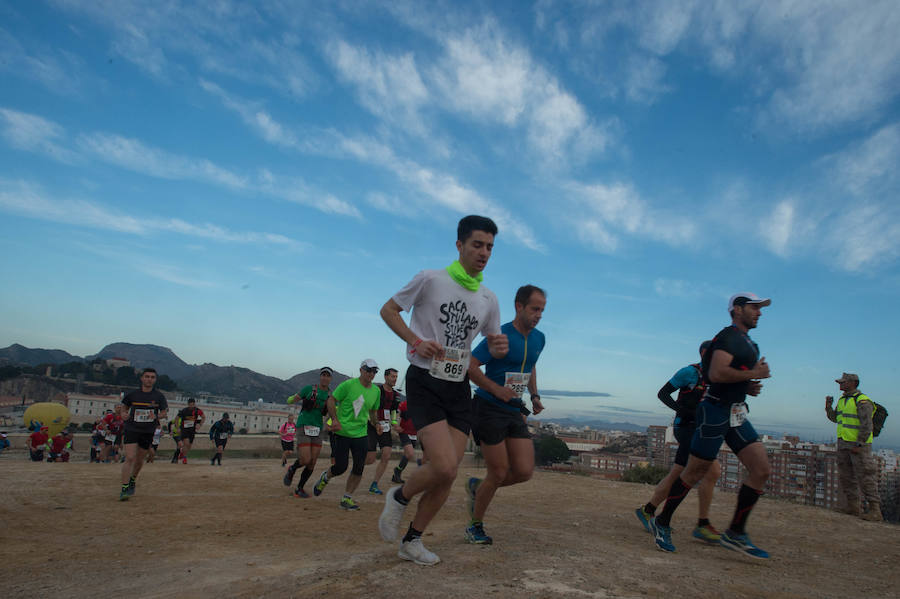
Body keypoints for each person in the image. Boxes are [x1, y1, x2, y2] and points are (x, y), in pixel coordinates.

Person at [378, 215, 508, 566]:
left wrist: (497, 348)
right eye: (477, 244)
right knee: (446, 466)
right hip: (424, 381)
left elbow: (490, 342)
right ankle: (399, 497)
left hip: (458, 387)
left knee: (446, 475)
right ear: (459, 245)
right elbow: (388, 310)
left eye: (490, 247)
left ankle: (412, 541)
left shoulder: (488, 298)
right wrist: (415, 341)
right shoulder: (430, 279)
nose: (484, 253)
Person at [649, 293, 773, 559]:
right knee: (694, 472)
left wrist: (747, 386)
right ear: (737, 310)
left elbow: (729, 378)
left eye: (760, 308)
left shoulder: (750, 343)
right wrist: (754, 374)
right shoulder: (727, 337)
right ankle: (662, 521)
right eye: (754, 307)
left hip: (735, 413)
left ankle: (736, 532)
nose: (759, 312)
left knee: (761, 469)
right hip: (714, 411)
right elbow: (716, 374)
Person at [463, 284, 547, 545]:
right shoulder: (499, 335)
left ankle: (478, 487)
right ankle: (475, 525)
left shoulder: (539, 338)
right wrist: (495, 389)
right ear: (519, 306)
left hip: (513, 410)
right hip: (488, 408)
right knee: (498, 472)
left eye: (542, 310)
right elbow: (470, 366)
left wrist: (534, 396)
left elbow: (530, 365)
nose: (539, 315)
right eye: (535, 309)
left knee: (523, 471)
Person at [635, 340, 722, 543]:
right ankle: (702, 524)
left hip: (703, 431)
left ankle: (647, 511)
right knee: (713, 470)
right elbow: (663, 393)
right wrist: (679, 409)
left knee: (678, 474)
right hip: (685, 429)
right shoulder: (689, 373)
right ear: (703, 354)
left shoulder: (718, 377)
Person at [312, 360, 381, 510]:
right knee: (341, 467)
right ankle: (326, 477)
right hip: (342, 432)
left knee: (358, 468)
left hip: (361, 433)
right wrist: (335, 420)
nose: (371, 374)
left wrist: (376, 424)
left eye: (374, 371)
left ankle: (347, 498)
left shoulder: (376, 391)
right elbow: (331, 400)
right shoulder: (348, 385)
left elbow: (373, 411)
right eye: (368, 370)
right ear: (361, 370)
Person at [825, 373, 882, 521]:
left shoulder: (862, 401)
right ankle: (853, 506)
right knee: (847, 476)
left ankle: (875, 510)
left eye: (843, 382)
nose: (840, 385)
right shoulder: (843, 399)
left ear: (853, 383)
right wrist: (828, 407)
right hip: (844, 444)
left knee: (865, 476)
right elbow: (835, 418)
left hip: (858, 446)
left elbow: (866, 425)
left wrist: (860, 444)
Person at [119, 368, 168, 501]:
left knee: (139, 460)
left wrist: (157, 415)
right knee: (129, 457)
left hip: (147, 430)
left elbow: (164, 413)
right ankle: (124, 488)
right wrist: (123, 413)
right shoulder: (133, 394)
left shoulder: (159, 396)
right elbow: (123, 406)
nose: (149, 379)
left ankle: (133, 479)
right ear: (142, 378)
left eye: (152, 377)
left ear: (155, 380)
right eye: (147, 376)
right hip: (132, 428)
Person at [284, 367, 333, 497]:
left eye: (328, 376)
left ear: (330, 379)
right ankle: (292, 469)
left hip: (317, 429)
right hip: (303, 426)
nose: (325, 377)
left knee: (312, 462)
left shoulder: (330, 396)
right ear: (320, 376)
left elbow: (333, 414)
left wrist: (328, 425)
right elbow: (293, 399)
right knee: (305, 459)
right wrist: (290, 400)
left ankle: (299, 488)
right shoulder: (309, 389)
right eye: (323, 375)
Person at [366, 368, 402, 495]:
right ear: (386, 377)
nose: (395, 379)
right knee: (370, 459)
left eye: (396, 377)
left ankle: (374, 484)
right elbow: (369, 407)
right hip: (372, 425)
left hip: (385, 427)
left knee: (386, 455)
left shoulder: (396, 395)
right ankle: (356, 464)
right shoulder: (377, 390)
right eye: (393, 376)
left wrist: (394, 423)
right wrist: (374, 423)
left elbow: (393, 412)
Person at [392, 398, 424, 484]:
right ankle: (397, 471)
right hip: (404, 432)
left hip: (414, 434)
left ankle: (397, 472)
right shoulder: (404, 404)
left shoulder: (422, 407)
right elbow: (395, 414)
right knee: (410, 453)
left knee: (407, 455)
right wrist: (395, 425)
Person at [177, 398, 204, 464]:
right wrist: (178, 427)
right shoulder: (184, 410)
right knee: (186, 443)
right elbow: (177, 418)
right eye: (190, 405)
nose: (191, 406)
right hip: (184, 429)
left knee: (189, 445)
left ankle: (182, 452)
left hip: (192, 430)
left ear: (194, 404)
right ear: (188, 404)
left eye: (193, 405)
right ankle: (185, 458)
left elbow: (203, 417)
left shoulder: (197, 410)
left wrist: (199, 424)